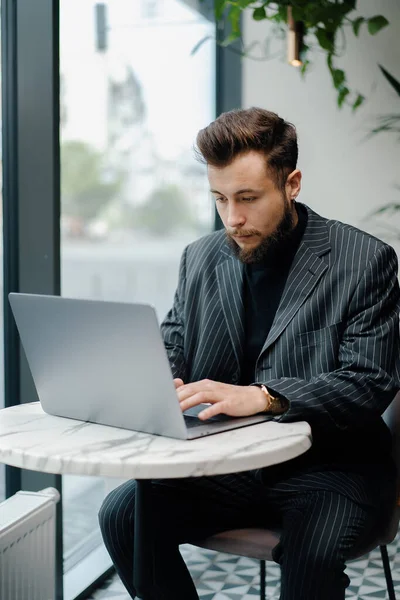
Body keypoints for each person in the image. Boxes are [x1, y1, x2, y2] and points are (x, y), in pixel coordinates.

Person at [99, 107, 400, 600]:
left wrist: (264, 397)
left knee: (314, 553)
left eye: (248, 198)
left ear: (292, 183)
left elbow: (368, 381)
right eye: (219, 199)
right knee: (122, 514)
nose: (232, 219)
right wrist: (148, 380)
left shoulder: (363, 260)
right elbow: (174, 347)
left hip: (328, 466)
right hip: (226, 468)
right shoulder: (200, 257)